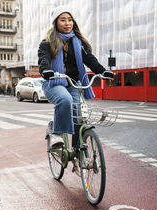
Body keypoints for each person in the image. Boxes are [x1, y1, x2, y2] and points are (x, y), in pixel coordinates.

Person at [38, 6, 113, 149]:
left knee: (79, 114)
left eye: (70, 20)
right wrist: (46, 70)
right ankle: (56, 133)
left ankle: (78, 150)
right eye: (63, 20)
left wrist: (102, 71)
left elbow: (90, 59)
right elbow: (44, 59)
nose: (67, 23)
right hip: (54, 82)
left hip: (74, 83)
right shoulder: (47, 43)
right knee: (65, 100)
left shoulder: (78, 42)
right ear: (56, 23)